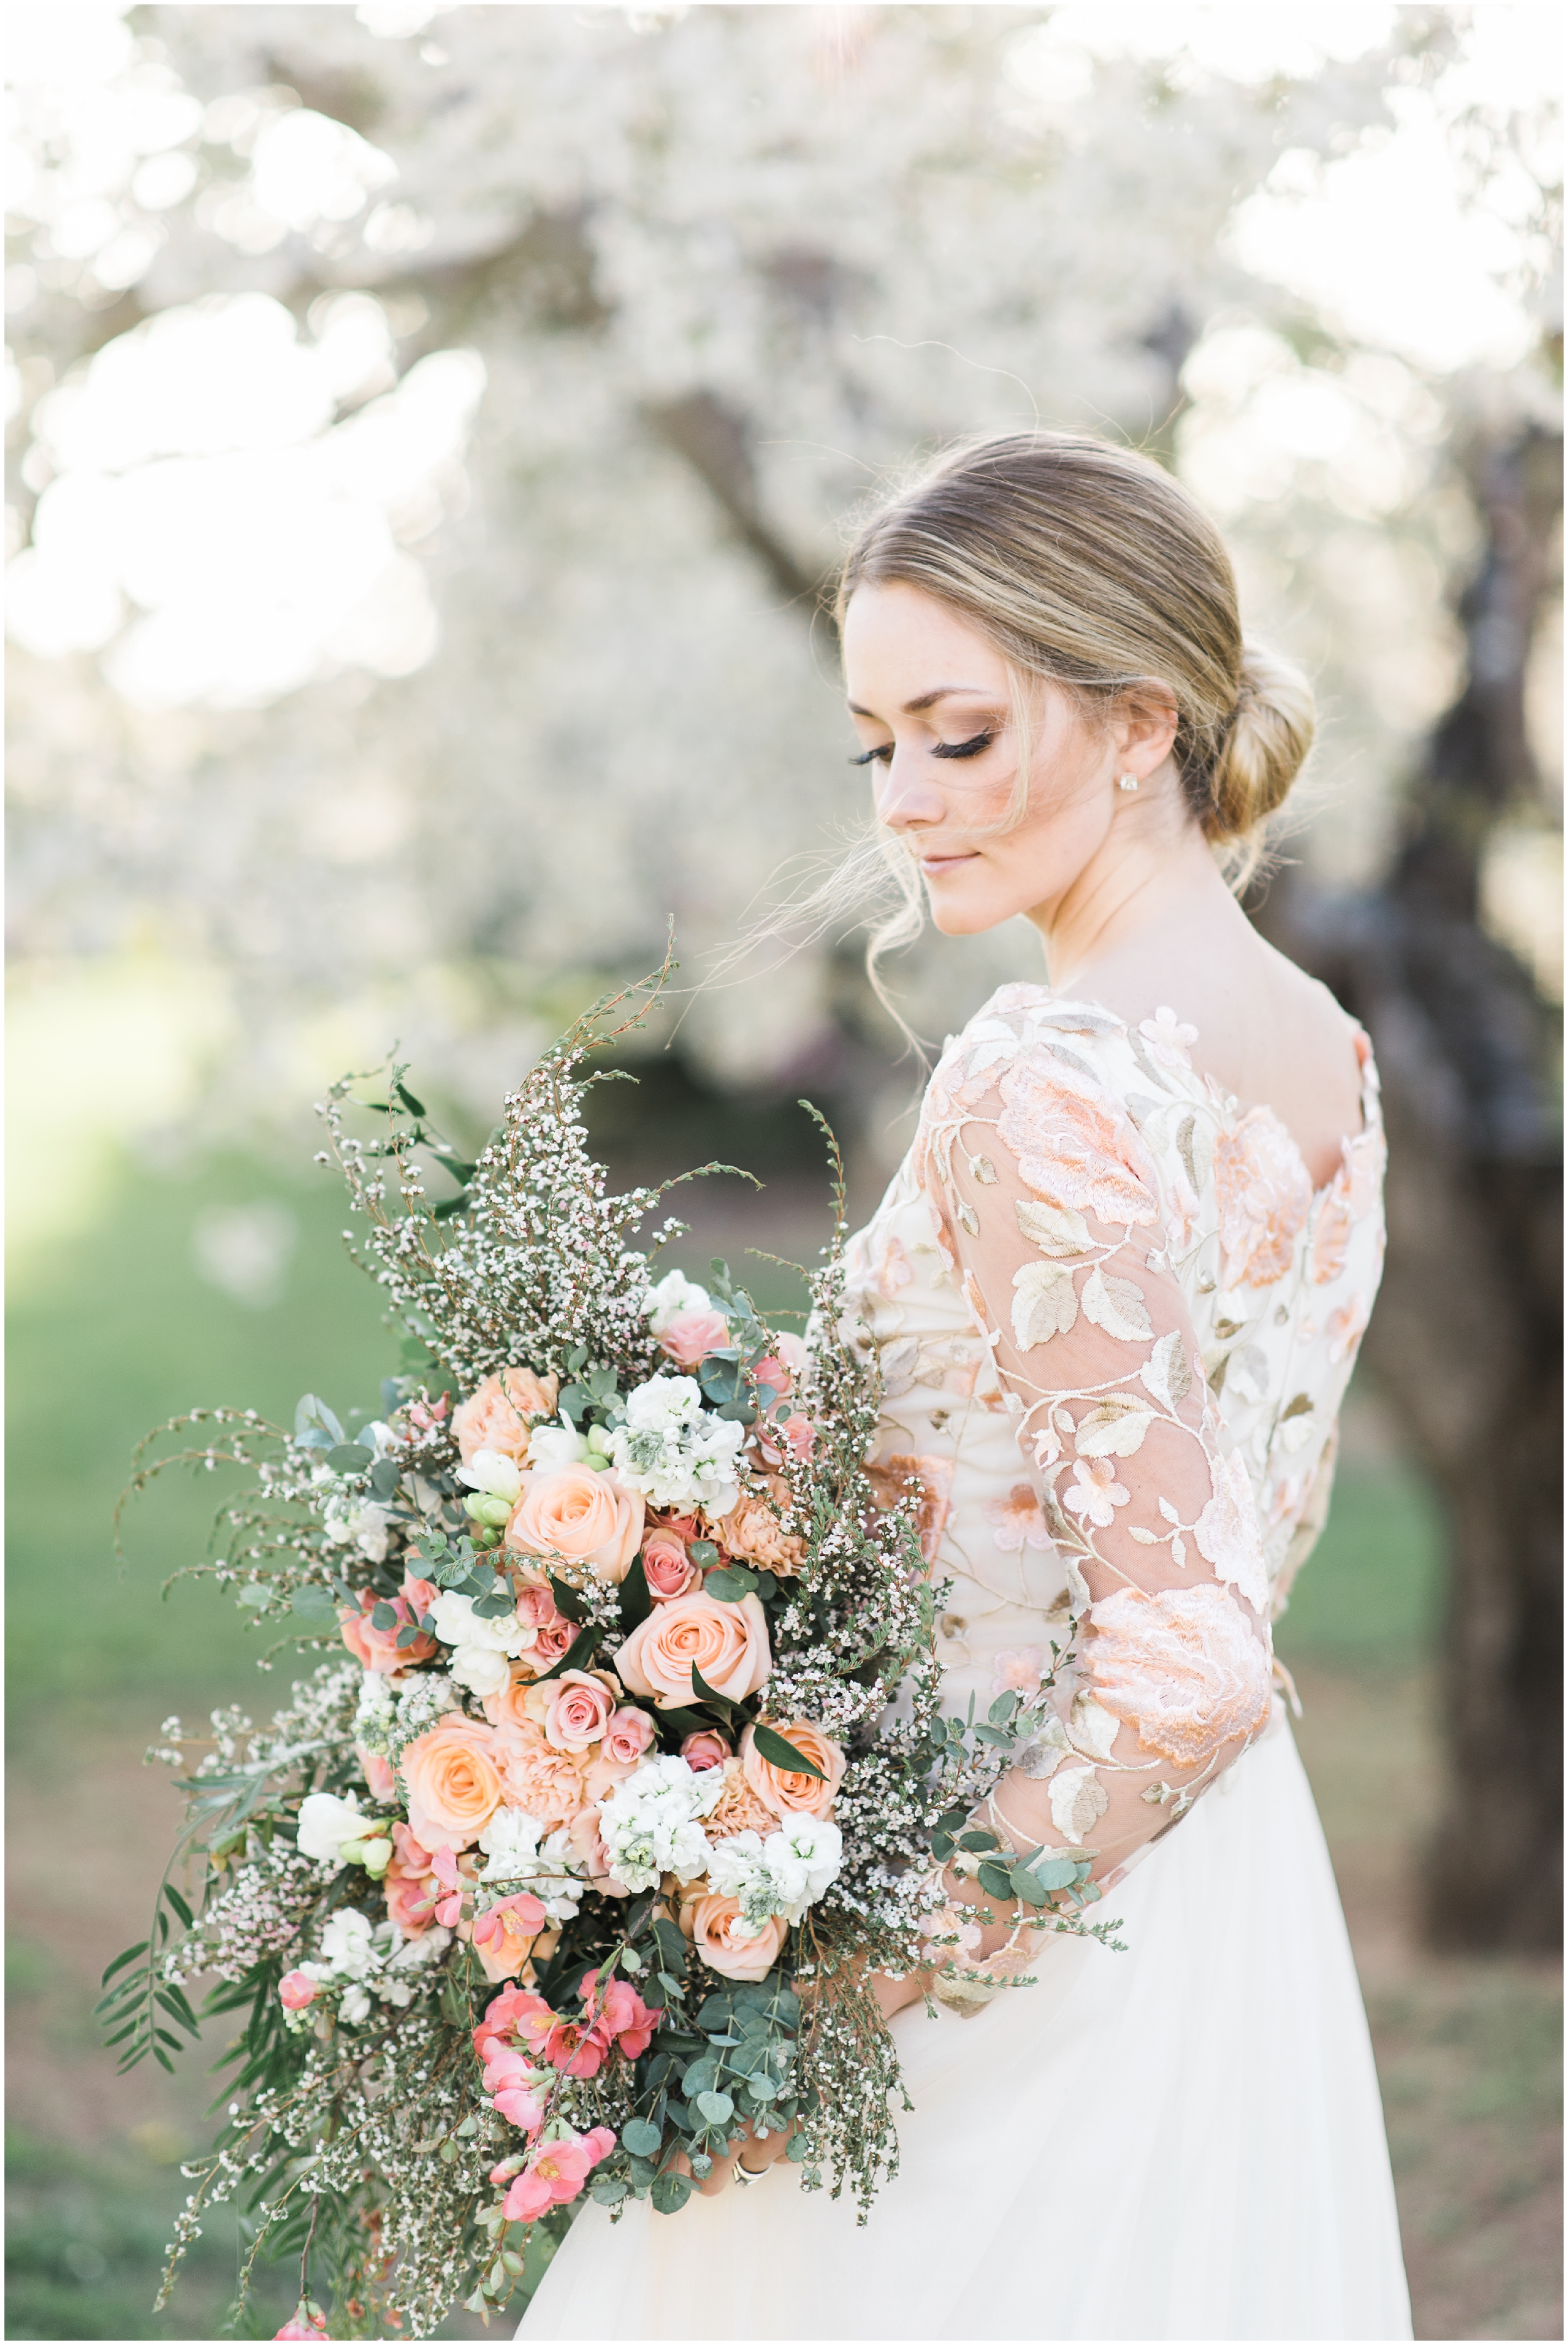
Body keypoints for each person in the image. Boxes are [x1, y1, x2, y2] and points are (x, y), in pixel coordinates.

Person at [521, 432, 1411, 2341]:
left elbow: (1182, 1658)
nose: (907, 801)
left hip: (991, 1914)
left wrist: (854, 1974)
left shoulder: (1049, 1074)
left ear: (1132, 723)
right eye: (877, 743)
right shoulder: (1324, 1056)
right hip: (1221, 1899)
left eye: (959, 732)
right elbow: (1249, 1545)